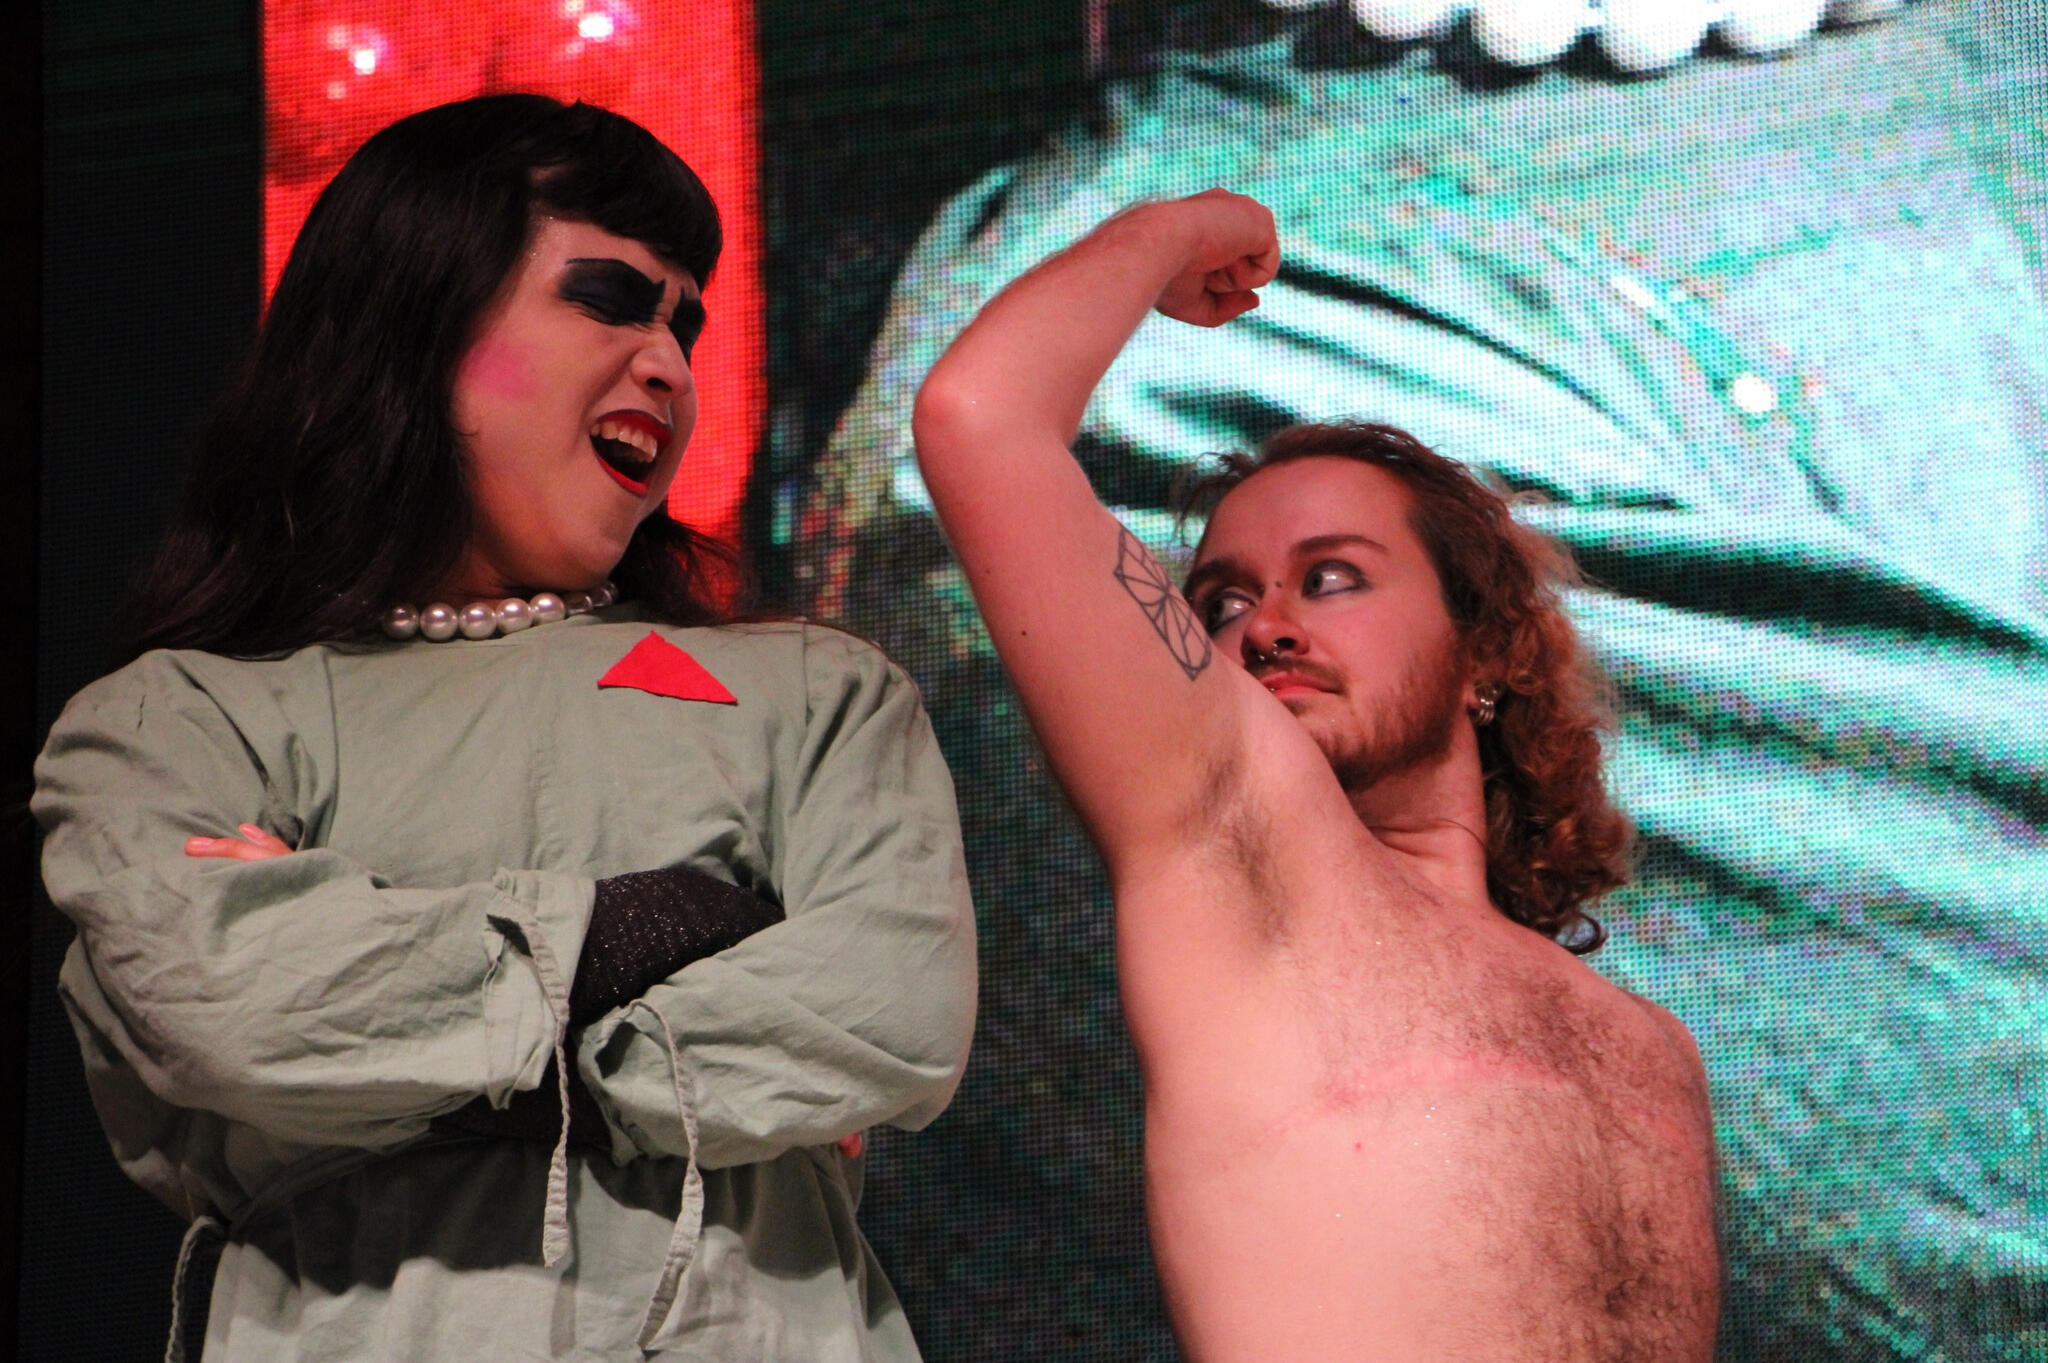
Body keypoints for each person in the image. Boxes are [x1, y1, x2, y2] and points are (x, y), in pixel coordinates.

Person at [33, 94, 976, 1362]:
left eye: (683, 325)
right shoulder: (176, 721)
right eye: (609, 301)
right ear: (415, 321)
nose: (668, 364)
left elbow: (892, 1008)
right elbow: (224, 1007)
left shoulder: (819, 692)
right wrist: (672, 925)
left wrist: (384, 976)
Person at [912, 189, 1719, 1359]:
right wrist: (1179, 228)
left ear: (1483, 650)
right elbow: (979, 417)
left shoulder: (1646, 1043)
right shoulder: (1238, 844)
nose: (1266, 625)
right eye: (1220, 601)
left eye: (1331, 577)